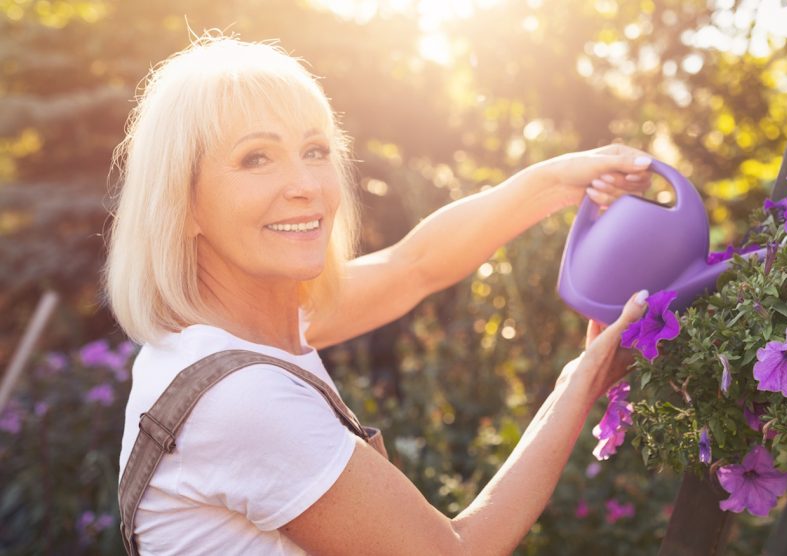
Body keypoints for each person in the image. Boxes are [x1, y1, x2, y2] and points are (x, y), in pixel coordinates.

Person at [108, 35, 654, 555]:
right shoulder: (241, 398)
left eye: (315, 150)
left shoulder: (242, 331)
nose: (307, 185)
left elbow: (411, 266)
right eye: (257, 158)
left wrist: (560, 182)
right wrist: (580, 383)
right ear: (182, 206)